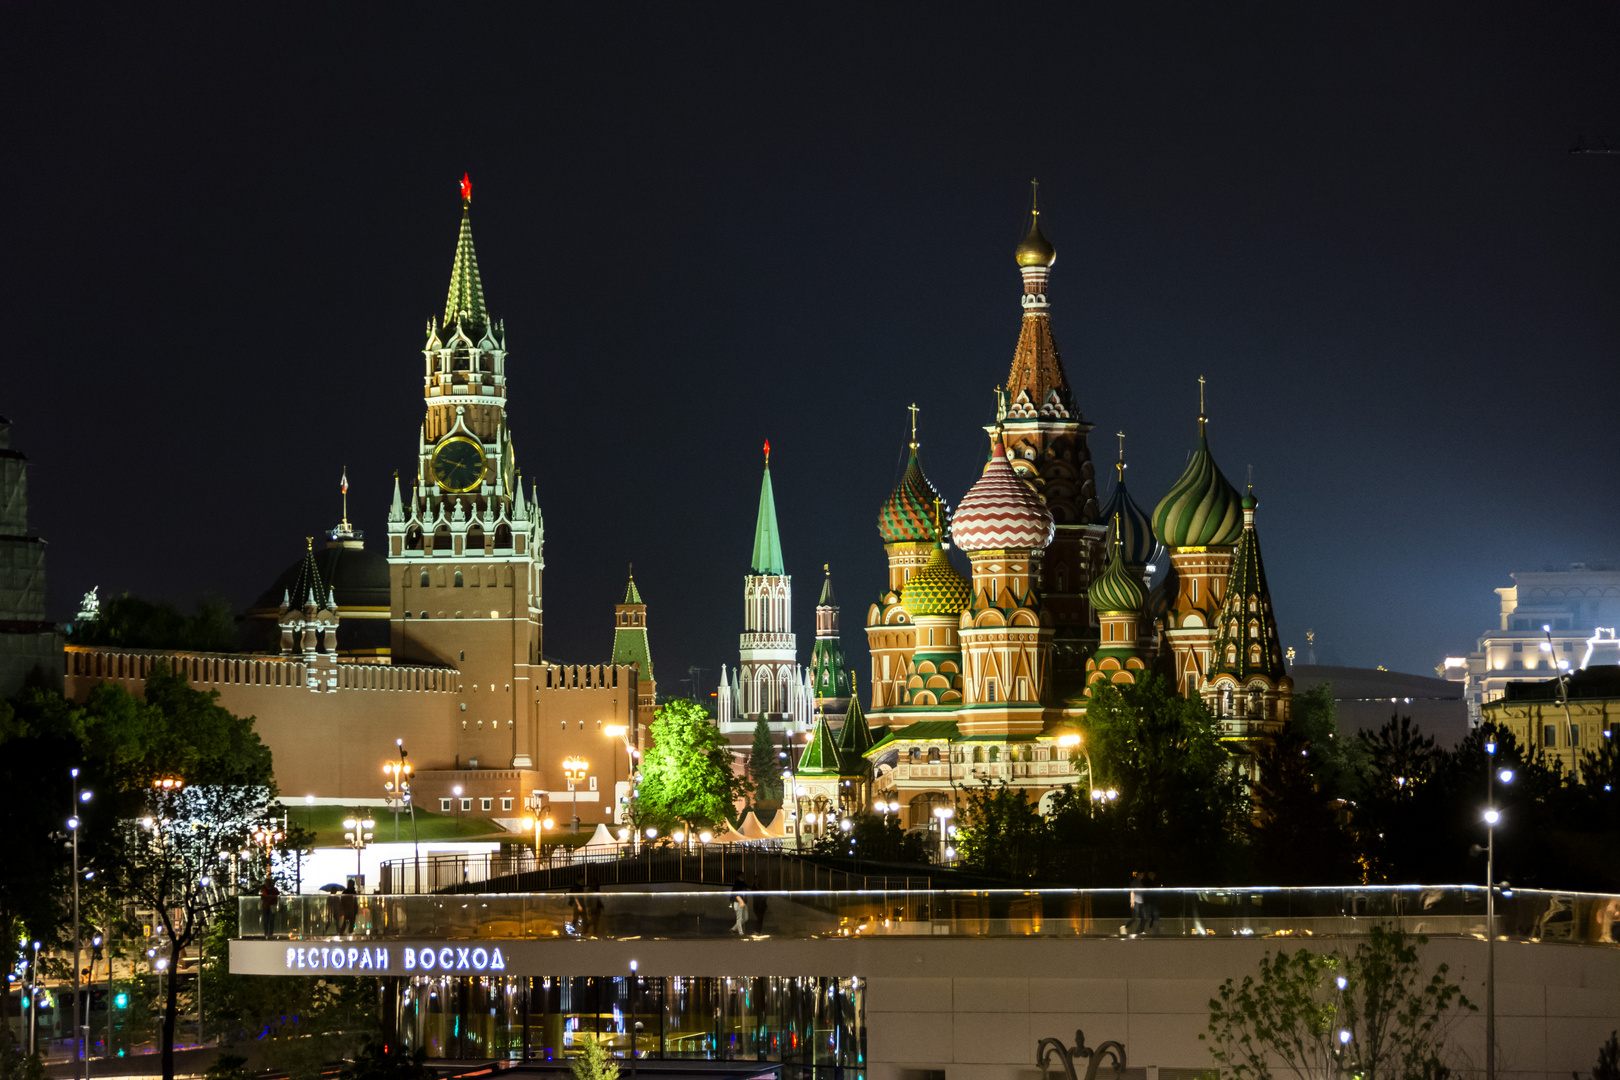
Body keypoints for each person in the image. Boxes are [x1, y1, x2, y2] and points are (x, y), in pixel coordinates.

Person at [1124, 871, 1146, 937]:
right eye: (1140, 874)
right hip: (1135, 901)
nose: (1141, 876)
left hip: (1140, 902)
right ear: (1138, 875)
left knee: (1143, 917)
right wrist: (1132, 901)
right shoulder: (1134, 882)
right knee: (1134, 918)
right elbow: (1132, 891)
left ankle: (1141, 930)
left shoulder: (1141, 882)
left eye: (1142, 875)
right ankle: (1125, 927)